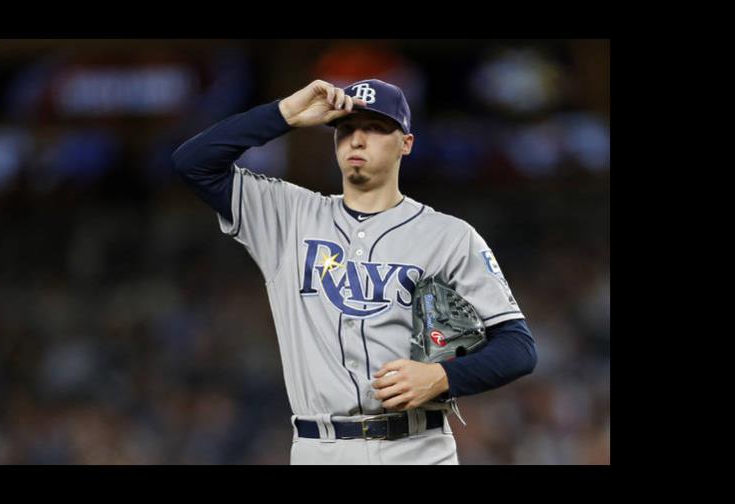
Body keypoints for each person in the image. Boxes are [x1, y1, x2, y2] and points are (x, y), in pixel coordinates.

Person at [172, 79, 537, 465]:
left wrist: (443, 378)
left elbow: (518, 348)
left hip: (417, 448)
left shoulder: (449, 236)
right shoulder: (288, 215)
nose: (357, 140)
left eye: (376, 128)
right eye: (346, 129)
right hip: (319, 447)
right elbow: (193, 163)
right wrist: (286, 114)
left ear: (406, 143)